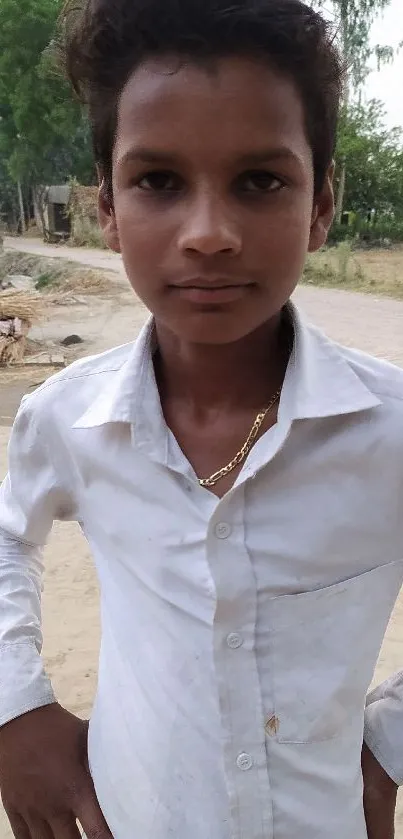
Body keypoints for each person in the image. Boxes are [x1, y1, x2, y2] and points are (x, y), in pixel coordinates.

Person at [0, 0, 402, 836]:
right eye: (158, 181)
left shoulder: (389, 432)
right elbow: (9, 538)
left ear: (321, 203)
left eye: (259, 181)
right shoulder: (68, 419)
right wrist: (17, 709)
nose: (209, 233)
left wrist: (388, 740)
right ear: (106, 207)